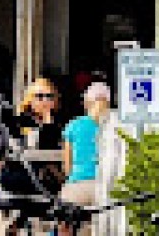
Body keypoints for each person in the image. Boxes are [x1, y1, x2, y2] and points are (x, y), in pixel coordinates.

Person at [59, 82, 110, 233]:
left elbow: (67, 166)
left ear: (87, 103)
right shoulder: (115, 126)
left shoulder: (73, 125)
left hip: (77, 186)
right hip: (104, 187)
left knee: (64, 224)